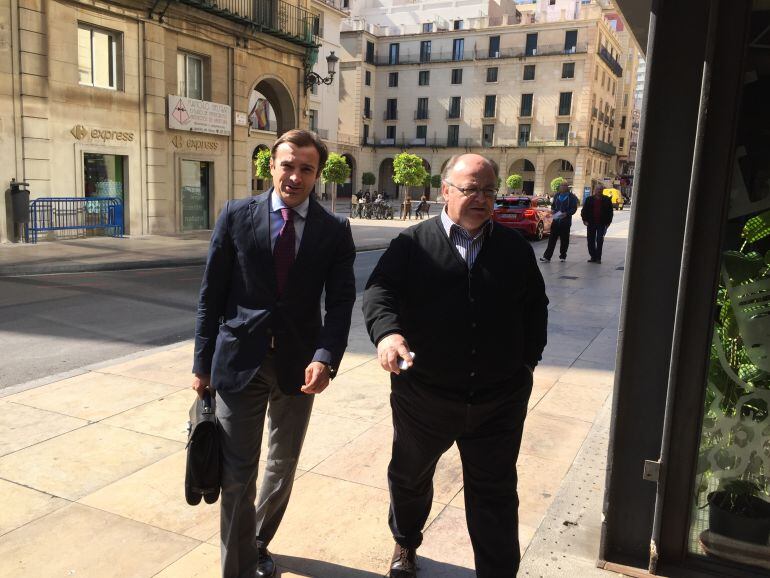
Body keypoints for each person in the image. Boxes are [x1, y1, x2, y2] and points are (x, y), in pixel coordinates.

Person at [363, 154, 549, 578]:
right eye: (470, 189)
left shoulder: (514, 249)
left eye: (488, 190)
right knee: (409, 478)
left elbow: (535, 308)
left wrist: (526, 363)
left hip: (498, 401)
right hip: (424, 398)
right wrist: (388, 334)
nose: (481, 199)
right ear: (445, 191)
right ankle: (406, 543)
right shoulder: (411, 244)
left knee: (496, 494)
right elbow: (379, 292)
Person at [192, 129, 356, 578]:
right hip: (238, 362)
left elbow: (341, 303)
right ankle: (239, 570)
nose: (295, 176)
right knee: (236, 477)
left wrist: (326, 357)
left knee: (282, 465)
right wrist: (201, 363)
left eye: (306, 168)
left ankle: (258, 541)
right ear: (271, 166)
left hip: (300, 366)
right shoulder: (235, 215)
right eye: (288, 165)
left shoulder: (334, 230)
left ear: (318, 174)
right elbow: (212, 294)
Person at [540, 181, 579, 262]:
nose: (563, 187)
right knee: (552, 239)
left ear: (567, 187)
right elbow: (553, 205)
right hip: (556, 220)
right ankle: (547, 257)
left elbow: (574, 208)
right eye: (561, 186)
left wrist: (567, 213)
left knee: (564, 240)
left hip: (565, 221)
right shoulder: (557, 195)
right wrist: (553, 210)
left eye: (564, 186)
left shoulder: (572, 197)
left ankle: (563, 256)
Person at [581, 184, 613, 263]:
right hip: (591, 223)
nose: (599, 191)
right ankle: (593, 256)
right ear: (595, 190)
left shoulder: (607, 200)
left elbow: (610, 212)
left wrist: (608, 222)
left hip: (601, 223)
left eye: (601, 189)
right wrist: (584, 220)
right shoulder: (589, 199)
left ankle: (598, 258)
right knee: (590, 240)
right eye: (598, 189)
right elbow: (584, 211)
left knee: (599, 240)